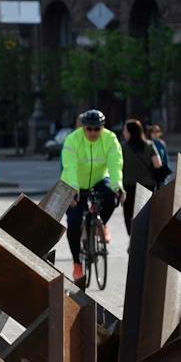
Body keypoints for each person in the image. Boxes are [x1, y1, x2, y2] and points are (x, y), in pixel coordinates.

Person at [61, 109, 124, 282]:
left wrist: (118, 186)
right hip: (75, 182)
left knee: (112, 197)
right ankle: (76, 264)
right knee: (73, 224)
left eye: (97, 129)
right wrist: (73, 190)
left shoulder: (110, 139)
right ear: (83, 127)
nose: (93, 133)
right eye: (89, 129)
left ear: (103, 128)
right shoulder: (73, 140)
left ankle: (99, 224)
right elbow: (70, 167)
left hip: (99, 179)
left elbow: (115, 163)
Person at [121, 119, 163, 235]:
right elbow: (158, 164)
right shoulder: (149, 145)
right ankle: (144, 238)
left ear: (129, 132)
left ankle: (133, 239)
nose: (124, 133)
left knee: (129, 215)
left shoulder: (123, 147)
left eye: (125, 130)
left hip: (128, 185)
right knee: (145, 215)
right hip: (147, 185)